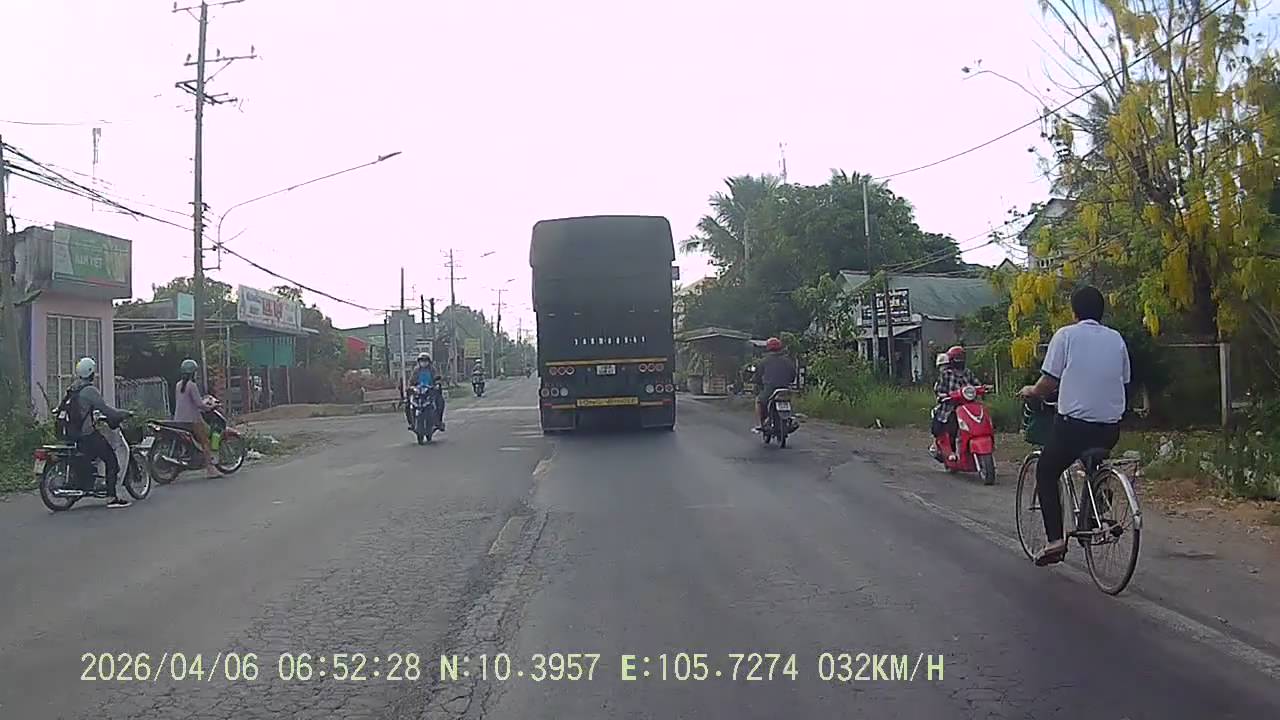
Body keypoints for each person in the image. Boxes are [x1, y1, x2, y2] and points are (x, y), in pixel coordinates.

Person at [1019, 285, 1130, 566]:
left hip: (1073, 427)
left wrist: (1032, 391)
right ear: (1102, 312)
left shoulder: (1066, 335)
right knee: (1094, 464)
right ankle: (1093, 515)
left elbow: (1049, 381)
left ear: (1074, 312)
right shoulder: (1116, 339)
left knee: (1047, 471)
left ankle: (1055, 541)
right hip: (1110, 428)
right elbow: (1123, 379)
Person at [60, 357, 132, 507]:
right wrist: (123, 413)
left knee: (92, 456)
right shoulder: (90, 391)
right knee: (111, 460)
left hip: (71, 433)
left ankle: (91, 482)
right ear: (92, 373)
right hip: (86, 434)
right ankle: (112, 497)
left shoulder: (73, 388)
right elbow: (106, 410)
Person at [931, 346, 983, 462]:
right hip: (950, 406)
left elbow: (976, 384)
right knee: (952, 424)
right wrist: (944, 395)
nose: (960, 360)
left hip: (968, 406)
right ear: (951, 360)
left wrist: (983, 388)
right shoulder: (946, 374)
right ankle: (952, 451)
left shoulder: (967, 373)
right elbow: (938, 389)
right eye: (957, 358)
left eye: (961, 357)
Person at [172, 358, 220, 478]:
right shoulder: (192, 385)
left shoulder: (178, 385)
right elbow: (199, 404)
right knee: (205, 441)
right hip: (192, 419)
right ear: (193, 373)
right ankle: (210, 469)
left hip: (179, 419)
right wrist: (211, 407)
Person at [752, 337, 798, 431]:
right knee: (789, 401)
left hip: (770, 389)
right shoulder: (788, 361)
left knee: (759, 401)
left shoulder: (764, 361)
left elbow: (758, 376)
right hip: (785, 389)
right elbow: (793, 375)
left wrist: (758, 383)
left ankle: (762, 423)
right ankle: (791, 419)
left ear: (768, 348)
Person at [406, 353, 445, 431]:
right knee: (408, 405)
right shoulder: (416, 370)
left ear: (429, 362)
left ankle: (439, 422)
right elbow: (411, 382)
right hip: (418, 392)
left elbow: (437, 379)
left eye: (425, 361)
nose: (424, 363)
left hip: (430, 391)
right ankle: (411, 423)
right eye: (422, 361)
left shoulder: (432, 370)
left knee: (440, 402)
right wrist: (412, 387)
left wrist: (437, 384)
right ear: (419, 362)